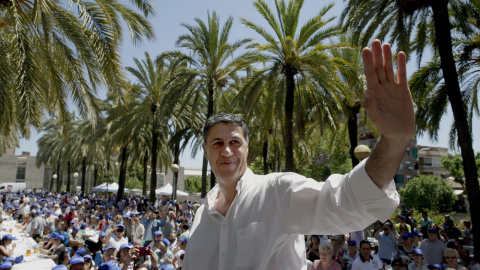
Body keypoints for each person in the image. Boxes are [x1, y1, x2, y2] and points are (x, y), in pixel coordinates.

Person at [183, 41, 414, 270]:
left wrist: (394, 141)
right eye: (217, 143)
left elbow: (344, 202)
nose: (226, 151)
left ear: (247, 147)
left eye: (235, 142)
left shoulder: (277, 192)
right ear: (205, 150)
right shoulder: (203, 215)